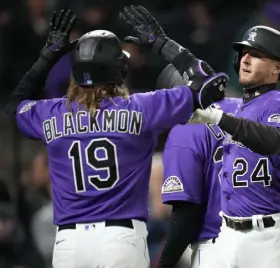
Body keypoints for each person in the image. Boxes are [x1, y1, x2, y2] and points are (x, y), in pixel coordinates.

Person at [4, 9, 229, 268]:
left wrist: (49, 54)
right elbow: (208, 84)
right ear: (120, 70)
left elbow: (16, 105)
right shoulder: (142, 107)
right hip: (120, 239)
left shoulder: (50, 113)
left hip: (69, 244)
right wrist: (161, 43)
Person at [119, 5, 280, 267]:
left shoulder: (191, 128)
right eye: (245, 54)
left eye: (256, 55)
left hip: (224, 242)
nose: (245, 60)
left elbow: (185, 213)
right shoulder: (242, 107)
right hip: (232, 234)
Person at [155, 64, 280, 268]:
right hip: (267, 238)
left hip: (215, 248)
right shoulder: (250, 107)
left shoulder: (184, 131)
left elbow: (186, 214)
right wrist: (270, 72)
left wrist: (163, 264)